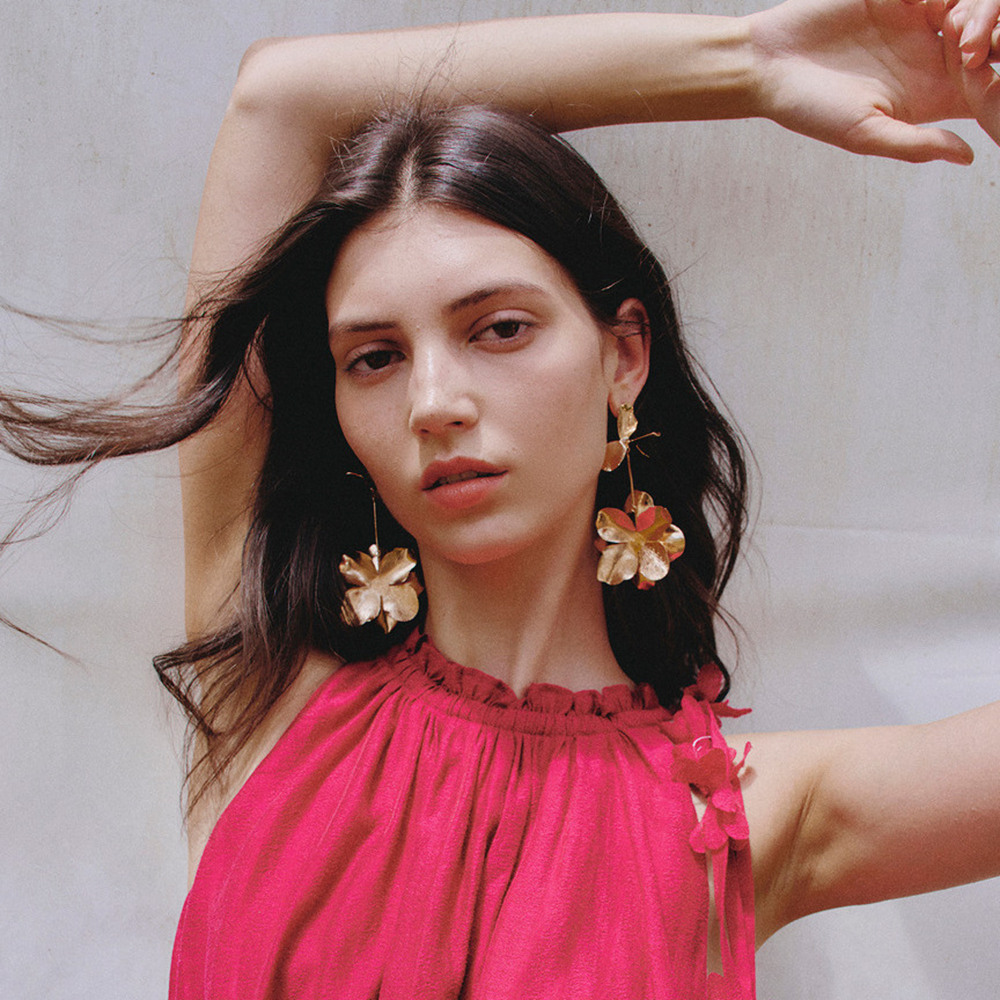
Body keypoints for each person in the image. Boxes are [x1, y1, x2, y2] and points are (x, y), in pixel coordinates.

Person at [2, 0, 998, 996]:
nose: (432, 402)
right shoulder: (268, 697)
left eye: (499, 328)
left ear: (623, 354)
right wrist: (746, 61)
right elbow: (280, 99)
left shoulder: (741, 816)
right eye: (376, 356)